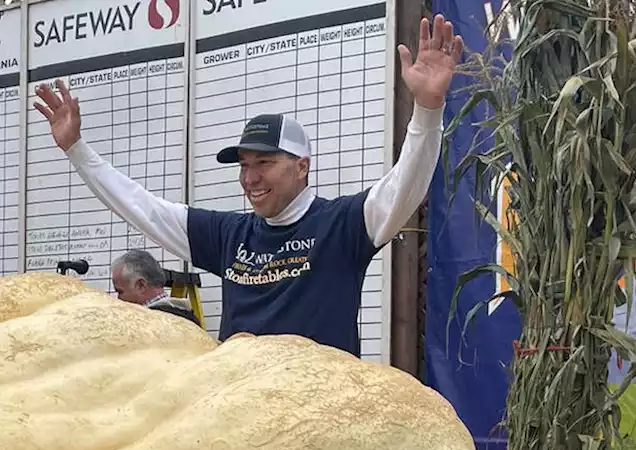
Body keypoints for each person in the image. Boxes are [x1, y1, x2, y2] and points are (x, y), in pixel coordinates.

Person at [33, 15, 465, 357]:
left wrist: (427, 109)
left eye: (264, 162)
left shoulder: (343, 225)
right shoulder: (227, 235)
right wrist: (76, 149)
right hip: (239, 419)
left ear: (302, 167)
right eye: (243, 165)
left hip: (320, 421)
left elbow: (406, 183)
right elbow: (140, 205)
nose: (250, 178)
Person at [111, 249, 199, 325]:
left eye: (120, 292)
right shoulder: (189, 320)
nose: (118, 299)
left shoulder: (143, 327)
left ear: (141, 285)